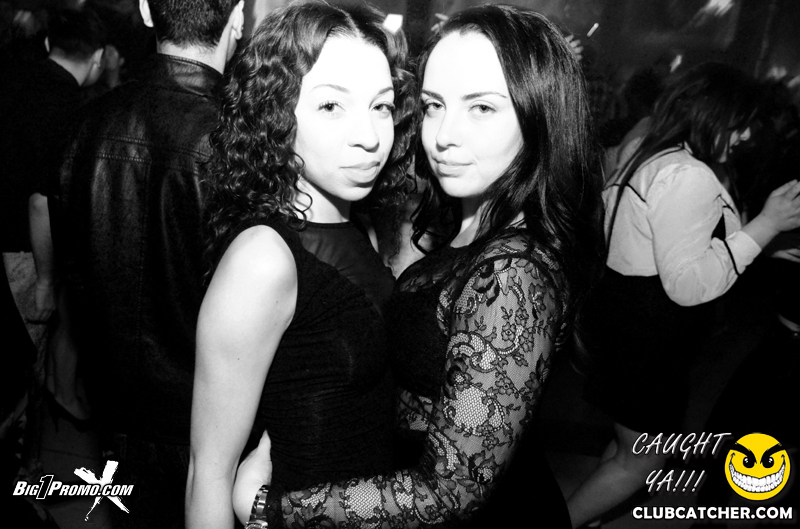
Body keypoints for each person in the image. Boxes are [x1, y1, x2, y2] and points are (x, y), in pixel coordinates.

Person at [231, 5, 603, 528]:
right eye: (433, 105)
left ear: (540, 113)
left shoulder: (512, 275)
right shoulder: (475, 223)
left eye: (481, 108)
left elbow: (449, 492)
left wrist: (271, 509)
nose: (444, 135)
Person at [184, 2, 414, 528]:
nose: (369, 136)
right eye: (332, 106)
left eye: (381, 106)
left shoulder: (358, 225)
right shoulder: (264, 257)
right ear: (276, 112)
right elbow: (208, 473)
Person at [569, 63, 800, 528]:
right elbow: (689, 285)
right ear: (711, 113)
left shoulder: (650, 150)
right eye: (738, 123)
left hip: (621, 320)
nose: (745, 136)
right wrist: (766, 225)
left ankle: (590, 517)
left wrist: (762, 244)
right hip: (647, 337)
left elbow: (675, 239)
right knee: (644, 459)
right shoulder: (686, 174)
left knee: (629, 444)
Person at [52, 0, 244, 527]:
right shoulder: (238, 142)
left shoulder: (84, 124)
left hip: (114, 405)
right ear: (238, 17)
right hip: (210, 419)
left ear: (145, 10)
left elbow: (74, 273)